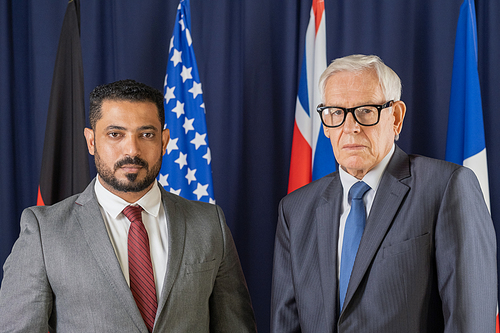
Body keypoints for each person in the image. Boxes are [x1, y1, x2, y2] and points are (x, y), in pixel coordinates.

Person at [0, 79, 257, 333]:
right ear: (91, 141)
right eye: (115, 134)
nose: (132, 150)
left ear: (164, 141)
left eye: (146, 134)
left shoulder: (209, 223)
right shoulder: (45, 230)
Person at [271, 55, 497, 332]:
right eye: (336, 113)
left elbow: (470, 322)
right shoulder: (295, 209)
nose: (350, 127)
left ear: (396, 117)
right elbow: (286, 324)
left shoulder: (447, 187)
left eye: (366, 110)